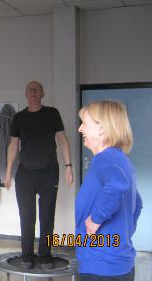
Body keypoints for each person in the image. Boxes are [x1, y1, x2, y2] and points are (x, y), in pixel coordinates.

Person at [4, 81, 73, 268]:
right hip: (25, 174)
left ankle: (45, 256)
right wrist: (9, 172)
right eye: (29, 90)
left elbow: (62, 139)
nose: (33, 92)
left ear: (42, 93)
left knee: (47, 216)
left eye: (36, 89)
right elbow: (13, 146)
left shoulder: (52, 113)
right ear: (25, 94)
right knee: (27, 216)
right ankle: (26, 256)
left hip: (49, 172)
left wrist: (68, 166)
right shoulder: (19, 118)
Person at [76, 100, 142, 281]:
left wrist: (96, 219)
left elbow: (118, 184)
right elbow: (138, 203)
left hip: (100, 267)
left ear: (102, 129)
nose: (80, 129)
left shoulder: (104, 159)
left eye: (85, 123)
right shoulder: (122, 160)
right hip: (121, 264)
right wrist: (124, 234)